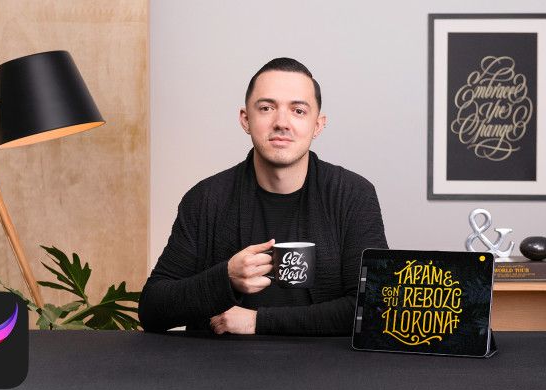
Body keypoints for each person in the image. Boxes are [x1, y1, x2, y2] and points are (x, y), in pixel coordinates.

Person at [139, 57, 388, 335]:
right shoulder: (205, 199)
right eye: (267, 108)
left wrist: (258, 321)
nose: (281, 123)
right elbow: (152, 309)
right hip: (219, 372)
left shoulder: (353, 195)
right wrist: (226, 278)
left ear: (318, 125)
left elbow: (372, 308)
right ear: (246, 119)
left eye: (298, 111)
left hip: (325, 372)